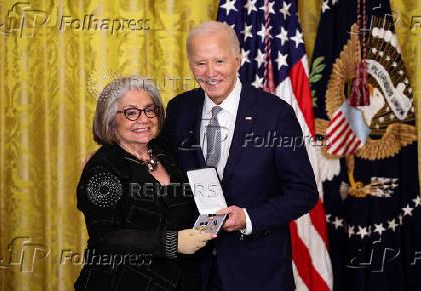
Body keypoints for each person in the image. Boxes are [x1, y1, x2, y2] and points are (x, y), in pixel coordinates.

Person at [161, 21, 319, 291]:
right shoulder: (179, 109)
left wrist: (248, 217)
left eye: (219, 61)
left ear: (237, 60)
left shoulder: (275, 115)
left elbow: (303, 193)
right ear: (190, 64)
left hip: (257, 272)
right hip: (193, 271)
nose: (210, 73)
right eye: (200, 63)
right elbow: (158, 162)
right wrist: (110, 156)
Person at [75, 77, 214, 291]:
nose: (144, 119)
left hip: (182, 281)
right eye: (131, 112)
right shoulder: (102, 167)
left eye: (150, 110)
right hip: (121, 282)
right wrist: (172, 242)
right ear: (111, 118)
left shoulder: (166, 152)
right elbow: (105, 238)